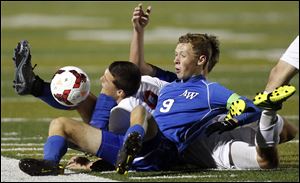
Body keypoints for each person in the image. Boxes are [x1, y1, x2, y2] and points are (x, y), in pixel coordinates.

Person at [116, 4, 298, 174]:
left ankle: (266, 119)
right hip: (193, 140)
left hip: (206, 137)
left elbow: (248, 107)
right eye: (176, 55)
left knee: (286, 130)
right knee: (280, 134)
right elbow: (135, 70)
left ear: (201, 60)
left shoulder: (207, 90)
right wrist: (138, 31)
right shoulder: (171, 82)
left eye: (182, 55)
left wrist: (233, 121)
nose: (175, 60)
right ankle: (268, 118)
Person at [12, 40, 180, 176]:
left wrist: (94, 163)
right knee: (72, 109)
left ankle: (50, 161)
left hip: (144, 154)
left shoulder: (116, 111)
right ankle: (35, 87)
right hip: (160, 144)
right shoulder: (152, 82)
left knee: (63, 123)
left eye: (105, 80)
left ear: (120, 91)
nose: (101, 80)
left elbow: (98, 134)